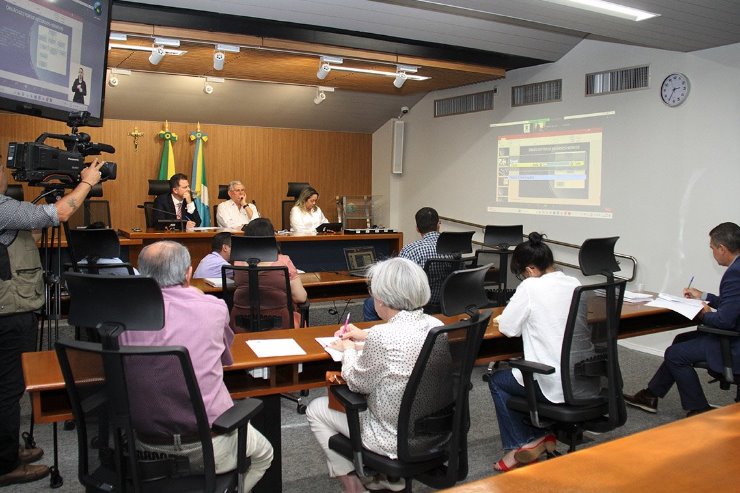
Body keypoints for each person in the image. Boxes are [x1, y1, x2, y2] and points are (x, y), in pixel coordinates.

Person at [118, 241, 273, 491]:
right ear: (189, 273)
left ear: (140, 274)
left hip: (143, 448)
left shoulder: (121, 315)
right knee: (264, 454)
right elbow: (226, 359)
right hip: (207, 446)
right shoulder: (212, 308)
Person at [0, 158, 105, 486]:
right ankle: (5, 464)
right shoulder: (2, 207)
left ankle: (7, 450)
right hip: (9, 311)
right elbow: (59, 214)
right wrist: (87, 181)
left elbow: (30, 227)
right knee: (8, 388)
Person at [306, 257, 443, 493]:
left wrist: (349, 349)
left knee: (316, 409)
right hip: (432, 430)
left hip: (392, 436)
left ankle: (354, 487)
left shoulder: (384, 336)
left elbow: (356, 382)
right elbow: (403, 339)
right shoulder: (434, 324)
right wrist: (364, 336)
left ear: (381, 299)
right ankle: (385, 478)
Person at [624, 222, 740, 417]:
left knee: (675, 355)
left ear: (722, 248)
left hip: (734, 343)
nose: (712, 253)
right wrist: (704, 297)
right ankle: (650, 395)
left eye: (712, 248)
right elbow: (734, 304)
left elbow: (725, 321)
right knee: (680, 341)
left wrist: (703, 313)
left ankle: (698, 409)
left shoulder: (735, 274)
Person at [487, 232, 580, 472]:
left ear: (530, 269)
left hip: (550, 379)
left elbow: (508, 328)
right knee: (515, 379)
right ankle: (544, 435)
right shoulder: (573, 283)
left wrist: (504, 317)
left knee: (498, 381)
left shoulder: (530, 286)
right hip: (577, 377)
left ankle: (521, 443)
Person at [363, 207, 444, 321]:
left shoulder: (411, 249)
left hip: (413, 305)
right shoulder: (454, 249)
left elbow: (395, 281)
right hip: (445, 303)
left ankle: (376, 335)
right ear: (438, 225)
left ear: (417, 228)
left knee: (369, 303)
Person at [231, 218, 307, 330]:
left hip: (240, 324)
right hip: (279, 324)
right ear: (272, 238)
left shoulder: (238, 262)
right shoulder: (283, 261)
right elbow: (300, 298)